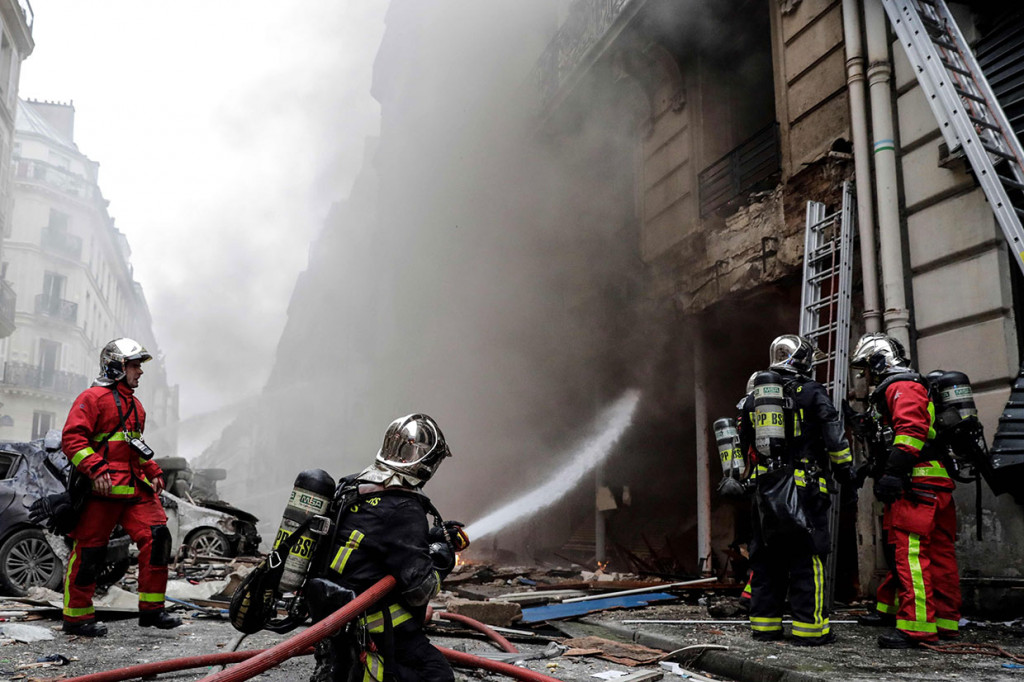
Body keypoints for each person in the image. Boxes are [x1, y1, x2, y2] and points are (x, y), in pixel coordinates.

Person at [307, 413, 468, 682]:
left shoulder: (354, 486)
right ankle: (361, 673)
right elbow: (420, 590)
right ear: (426, 463)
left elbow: (380, 543)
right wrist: (443, 557)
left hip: (336, 618)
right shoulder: (404, 507)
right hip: (375, 626)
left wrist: (431, 537)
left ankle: (340, 662)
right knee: (438, 677)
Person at [60, 338, 178, 637]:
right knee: (89, 553)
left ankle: (152, 610)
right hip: (101, 491)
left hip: (134, 489)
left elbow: (132, 446)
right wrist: (95, 469)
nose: (140, 371)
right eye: (135, 365)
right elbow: (73, 439)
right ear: (116, 367)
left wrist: (152, 469)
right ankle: (77, 618)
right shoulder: (92, 398)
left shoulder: (135, 406)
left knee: (158, 538)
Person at [849, 332, 960, 649]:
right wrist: (871, 468)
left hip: (916, 485)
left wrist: (895, 473)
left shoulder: (900, 386)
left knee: (912, 556)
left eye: (866, 368)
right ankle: (944, 621)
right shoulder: (906, 387)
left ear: (878, 362)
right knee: (937, 554)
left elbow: (911, 432)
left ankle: (916, 628)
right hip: (931, 482)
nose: (866, 376)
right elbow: (893, 438)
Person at [748, 335, 853, 646]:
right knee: (808, 557)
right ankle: (811, 630)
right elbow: (834, 435)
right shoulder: (811, 392)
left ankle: (765, 628)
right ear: (802, 360)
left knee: (767, 559)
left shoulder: (754, 397)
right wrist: (844, 472)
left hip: (763, 491)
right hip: (803, 488)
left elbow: (741, 445)